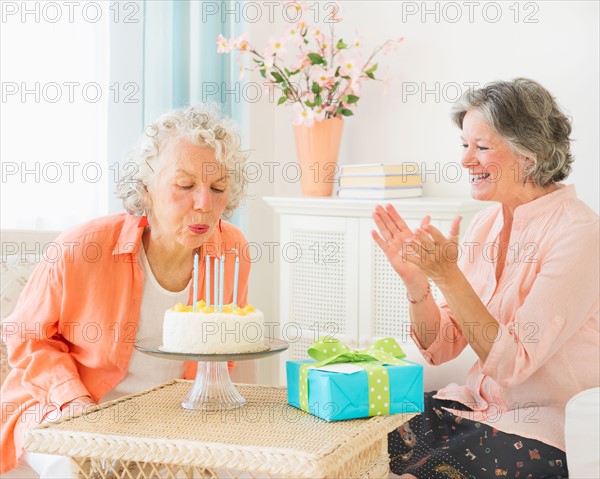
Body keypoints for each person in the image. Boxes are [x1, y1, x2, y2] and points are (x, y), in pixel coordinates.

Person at [0, 104, 252, 477]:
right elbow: (27, 337)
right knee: (71, 466)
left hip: (165, 418)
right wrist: (74, 402)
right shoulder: (82, 247)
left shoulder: (231, 249)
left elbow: (222, 351)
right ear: (146, 189)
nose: (204, 203)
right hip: (61, 403)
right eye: (184, 186)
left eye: (217, 188)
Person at [372, 78, 599, 479]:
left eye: (482, 147)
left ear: (529, 154)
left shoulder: (579, 234)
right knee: (358, 441)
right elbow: (442, 347)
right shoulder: (484, 225)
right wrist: (418, 284)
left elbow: (513, 365)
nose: (465, 161)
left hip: (536, 431)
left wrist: (448, 276)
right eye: (464, 145)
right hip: (470, 407)